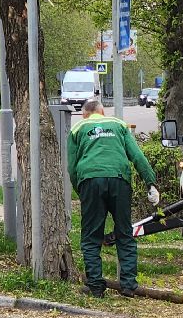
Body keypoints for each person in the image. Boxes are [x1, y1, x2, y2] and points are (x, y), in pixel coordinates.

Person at [67, 98, 159, 296]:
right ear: (102, 112)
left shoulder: (77, 129)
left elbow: (72, 168)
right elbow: (137, 156)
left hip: (90, 181)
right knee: (124, 233)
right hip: (119, 180)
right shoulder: (118, 125)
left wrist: (80, 191)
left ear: (85, 114)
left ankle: (96, 286)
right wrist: (150, 183)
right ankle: (128, 286)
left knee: (91, 237)